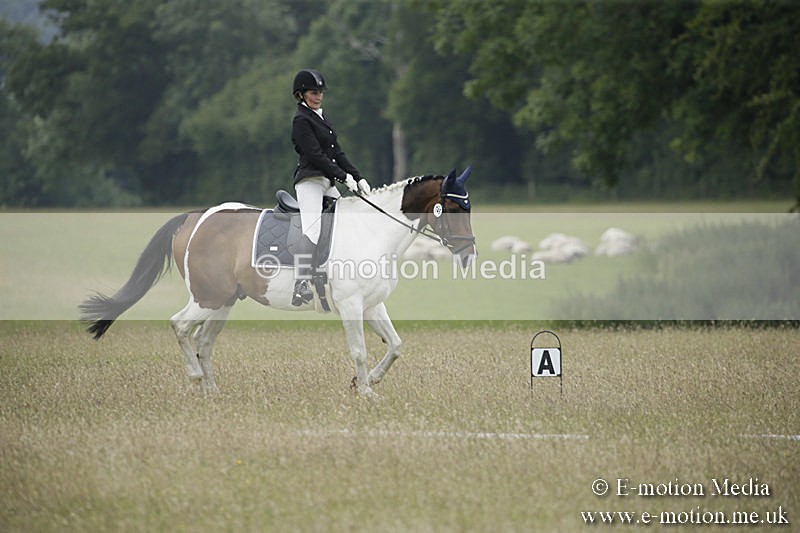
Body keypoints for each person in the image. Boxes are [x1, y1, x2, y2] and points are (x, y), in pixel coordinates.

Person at [290, 68, 370, 306]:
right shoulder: (301, 120)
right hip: (310, 181)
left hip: (326, 181)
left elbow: (337, 153)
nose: (318, 96)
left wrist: (358, 176)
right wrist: (343, 177)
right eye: (314, 92)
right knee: (313, 229)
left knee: (346, 223)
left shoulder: (322, 118)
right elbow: (315, 155)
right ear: (301, 94)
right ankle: (300, 283)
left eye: (321, 92)